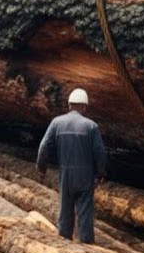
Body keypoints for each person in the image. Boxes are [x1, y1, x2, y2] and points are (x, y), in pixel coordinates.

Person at [37, 88, 107, 244]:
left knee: (65, 214)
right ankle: (86, 246)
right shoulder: (91, 126)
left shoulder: (56, 123)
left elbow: (43, 146)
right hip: (85, 177)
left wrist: (41, 167)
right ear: (84, 107)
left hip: (66, 176)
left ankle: (64, 245)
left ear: (69, 105)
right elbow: (100, 152)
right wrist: (100, 173)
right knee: (85, 216)